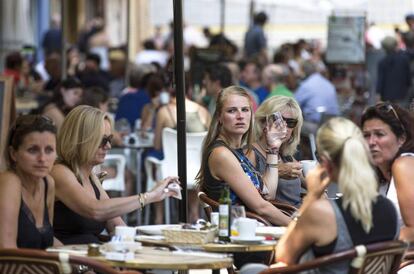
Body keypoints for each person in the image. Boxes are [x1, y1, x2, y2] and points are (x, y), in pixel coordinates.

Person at [276, 117, 398, 272]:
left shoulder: (322, 212)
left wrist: (311, 197)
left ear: (325, 163)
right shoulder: (390, 209)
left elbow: (283, 256)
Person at [51, 105, 179, 244]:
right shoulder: (60, 172)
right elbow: (95, 210)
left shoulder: (91, 175)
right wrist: (149, 196)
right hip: (72, 261)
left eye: (109, 139)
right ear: (80, 140)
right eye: (102, 140)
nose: (108, 146)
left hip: (95, 259)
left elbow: (116, 225)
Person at [196, 86, 290, 226]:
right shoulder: (221, 154)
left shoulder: (240, 150)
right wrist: (297, 226)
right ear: (220, 117)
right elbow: (261, 207)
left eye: (245, 110)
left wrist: (273, 149)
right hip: (239, 232)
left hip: (254, 227)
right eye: (232, 110)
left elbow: (268, 194)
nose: (240, 116)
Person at [0, 115, 58, 248]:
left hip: (40, 266)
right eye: (33, 150)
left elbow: (47, 241)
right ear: (13, 154)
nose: (42, 158)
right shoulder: (9, 182)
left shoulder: (48, 183)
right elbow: (6, 251)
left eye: (49, 150)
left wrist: (83, 259)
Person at [361, 102, 414, 241]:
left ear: (401, 139)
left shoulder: (404, 164)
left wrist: (372, 245)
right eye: (366, 135)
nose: (371, 142)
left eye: (380, 134)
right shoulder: (379, 174)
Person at [248, 96, 304, 207]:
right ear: (263, 122)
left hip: (299, 214)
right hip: (279, 219)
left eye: (291, 122)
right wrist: (278, 171)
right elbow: (250, 191)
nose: (284, 126)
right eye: (279, 120)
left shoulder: (286, 155)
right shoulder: (251, 152)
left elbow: (308, 182)